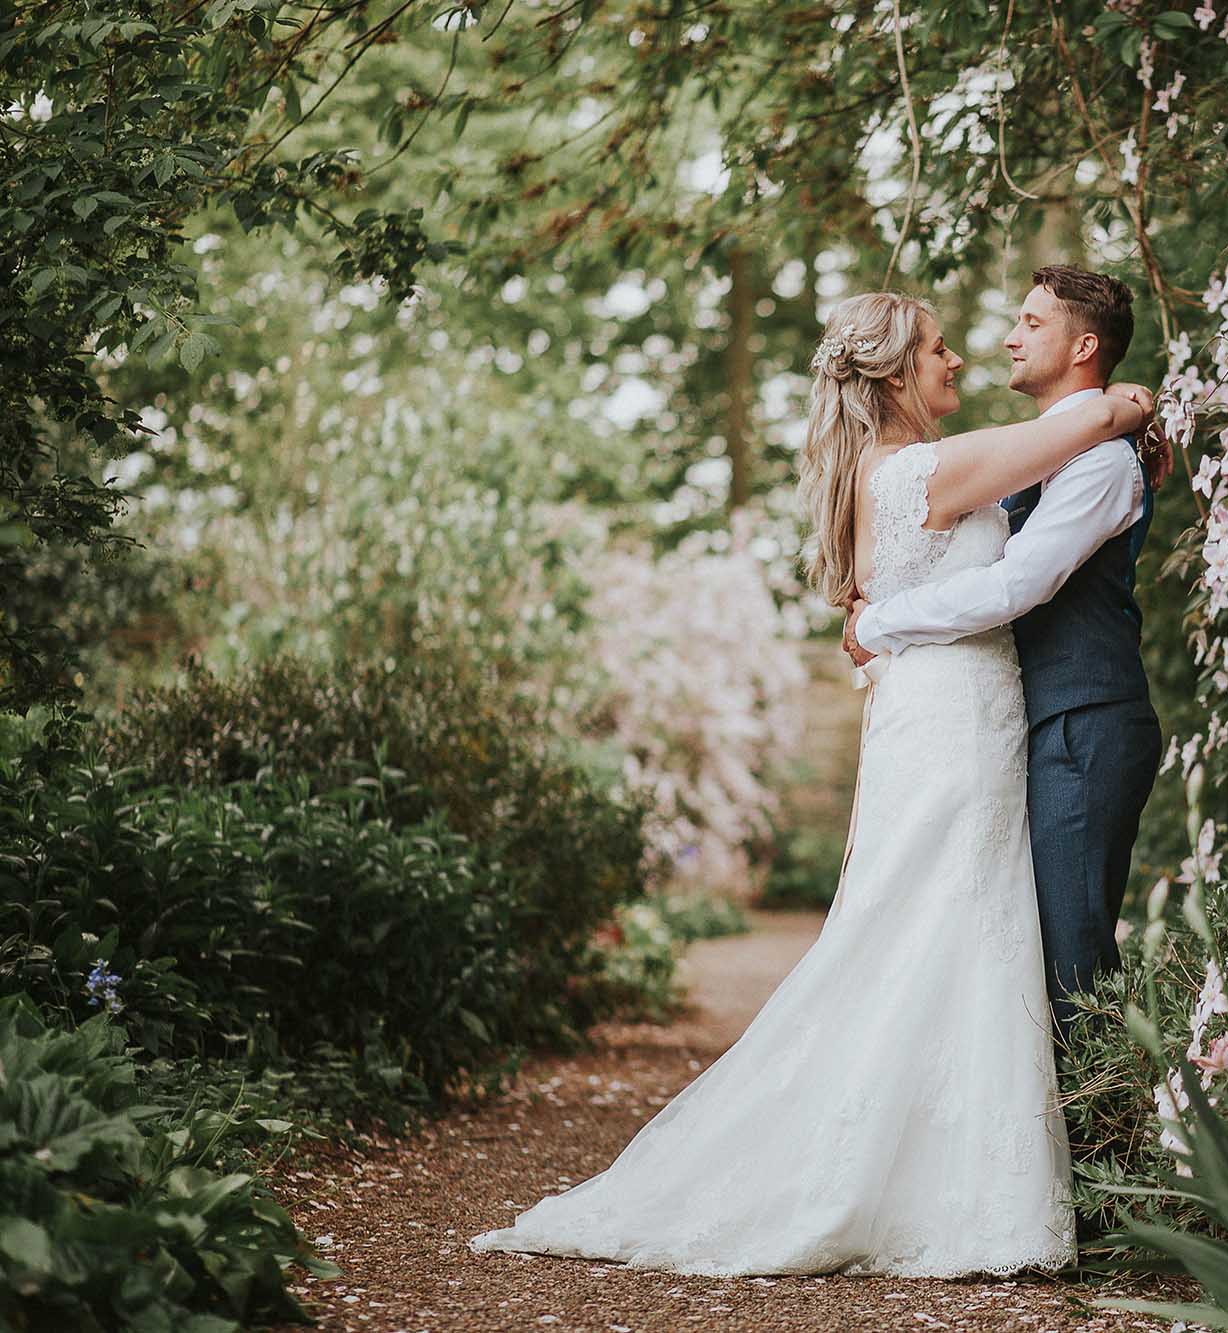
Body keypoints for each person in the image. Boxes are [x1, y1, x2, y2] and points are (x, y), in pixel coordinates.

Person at [469, 290, 1153, 1277]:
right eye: (938, 349)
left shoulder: (878, 474)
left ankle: (940, 1169)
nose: (957, 359)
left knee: (938, 931)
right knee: (940, 925)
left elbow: (970, 552)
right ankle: (954, 1180)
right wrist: (1134, 402)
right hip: (956, 711)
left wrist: (879, 630)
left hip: (940, 707)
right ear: (892, 376)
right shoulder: (924, 467)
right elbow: (1081, 430)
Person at [846, 266, 1164, 1039]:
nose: (1008, 339)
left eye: (1031, 323)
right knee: (1035, 953)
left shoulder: (1100, 457)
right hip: (1024, 721)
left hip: (1084, 717)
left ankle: (1100, 1148)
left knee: (1073, 961)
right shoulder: (1052, 449)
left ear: (1084, 345)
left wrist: (881, 622)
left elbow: (1017, 583)